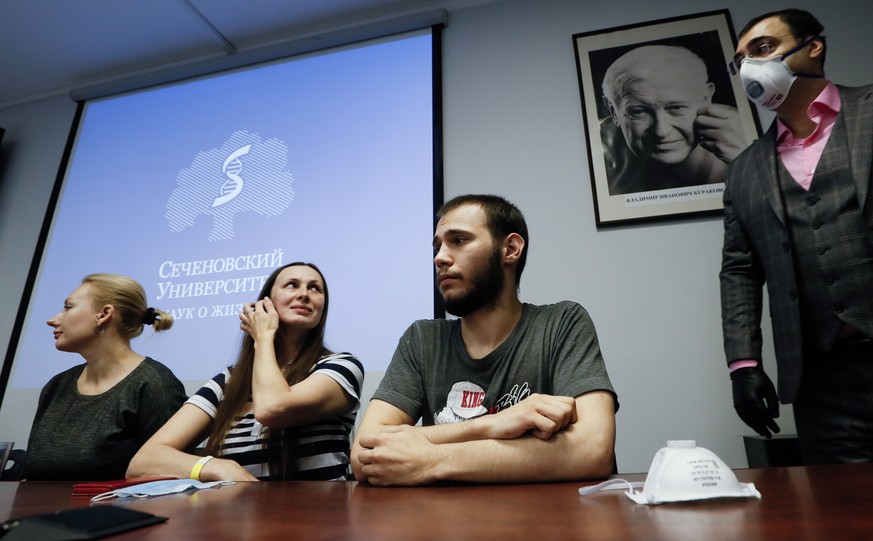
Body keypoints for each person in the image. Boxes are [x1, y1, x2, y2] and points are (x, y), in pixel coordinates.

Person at [352, 194, 617, 486]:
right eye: (438, 246)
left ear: (510, 249)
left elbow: (593, 449)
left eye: (459, 240)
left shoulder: (561, 324)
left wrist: (430, 459)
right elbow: (365, 452)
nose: (439, 257)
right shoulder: (422, 340)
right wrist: (493, 424)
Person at [721, 9, 873, 464]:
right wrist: (743, 366)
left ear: (812, 47)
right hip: (822, 380)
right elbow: (739, 272)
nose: (749, 65)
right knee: (842, 516)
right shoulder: (744, 169)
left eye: (762, 48)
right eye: (740, 59)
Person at [127, 262, 364, 481]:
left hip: (322, 521)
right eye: (292, 285)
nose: (304, 293)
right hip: (241, 522)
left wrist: (263, 337)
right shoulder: (228, 381)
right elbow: (143, 462)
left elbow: (272, 408)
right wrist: (220, 467)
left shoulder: (342, 366)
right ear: (265, 303)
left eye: (315, 289)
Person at [24, 274, 186, 481]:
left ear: (104, 314)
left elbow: (168, 476)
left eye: (68, 307)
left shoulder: (153, 383)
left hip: (114, 512)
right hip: (37, 512)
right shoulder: (57, 385)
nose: (52, 320)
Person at [601, 44, 746, 195]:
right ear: (613, 110)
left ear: (706, 98)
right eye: (638, 112)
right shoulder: (597, 155)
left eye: (676, 108)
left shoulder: (744, 138)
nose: (661, 131)